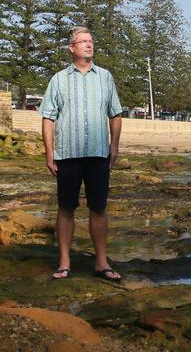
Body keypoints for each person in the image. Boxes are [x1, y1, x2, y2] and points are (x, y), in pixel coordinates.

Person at [39, 26, 123, 282]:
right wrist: (49, 152)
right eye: (83, 41)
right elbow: (48, 117)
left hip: (98, 153)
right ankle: (64, 263)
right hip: (68, 154)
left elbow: (115, 113)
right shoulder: (59, 79)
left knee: (99, 208)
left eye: (91, 41)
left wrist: (115, 146)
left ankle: (101, 263)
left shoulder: (105, 77)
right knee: (66, 208)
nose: (89, 45)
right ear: (72, 48)